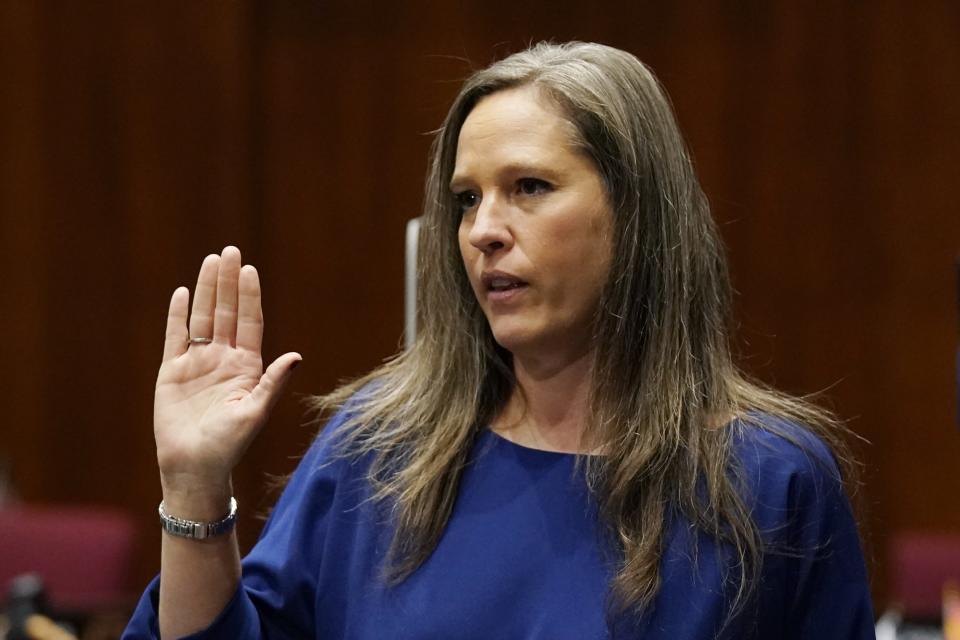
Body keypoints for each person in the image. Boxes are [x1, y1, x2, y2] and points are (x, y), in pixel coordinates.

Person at [123, 41, 875, 639]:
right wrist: (193, 486)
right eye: (466, 198)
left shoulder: (771, 480)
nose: (482, 230)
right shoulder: (377, 451)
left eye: (529, 188)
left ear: (638, 214)